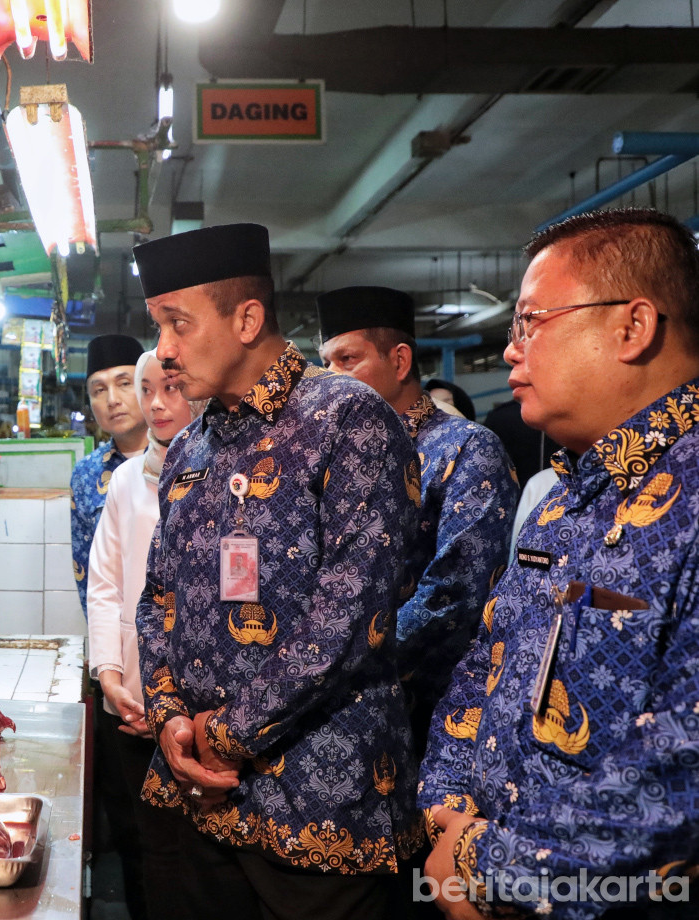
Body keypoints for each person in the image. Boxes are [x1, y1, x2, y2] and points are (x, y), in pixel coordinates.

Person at [132, 223, 422, 920]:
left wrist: (226, 736)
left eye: (178, 324)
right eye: (158, 327)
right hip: (196, 805)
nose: (164, 351)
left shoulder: (349, 422)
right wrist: (170, 717)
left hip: (317, 817)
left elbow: (352, 617)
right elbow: (157, 600)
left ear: (247, 319)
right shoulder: (190, 449)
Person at [419, 208, 699, 919]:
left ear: (632, 327)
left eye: (530, 322)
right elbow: (488, 660)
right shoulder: (566, 500)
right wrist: (448, 810)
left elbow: (681, 763)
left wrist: (487, 865)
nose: (511, 351)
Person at [317, 286, 519, 754]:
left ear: (400, 361)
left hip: (432, 712)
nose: (330, 379)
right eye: (324, 364)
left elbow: (455, 595)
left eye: (346, 360)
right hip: (336, 707)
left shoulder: (466, 449)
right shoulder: (335, 458)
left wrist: (340, 665)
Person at [87, 349, 203, 920]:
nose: (157, 403)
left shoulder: (233, 476)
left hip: (209, 712)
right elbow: (105, 585)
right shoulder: (127, 482)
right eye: (147, 388)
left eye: (172, 388)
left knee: (206, 858)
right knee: (154, 848)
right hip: (135, 697)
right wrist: (108, 672)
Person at [70, 333, 146, 614]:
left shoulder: (183, 458)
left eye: (124, 383)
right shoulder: (86, 474)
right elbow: (85, 570)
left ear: (146, 386)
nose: (112, 399)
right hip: (117, 630)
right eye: (99, 390)